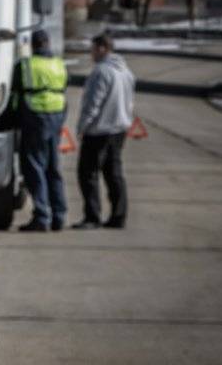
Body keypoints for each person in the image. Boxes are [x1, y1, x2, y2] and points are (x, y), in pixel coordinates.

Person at [73, 33, 136, 229]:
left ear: (102, 48)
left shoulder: (101, 72)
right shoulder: (126, 71)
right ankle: (119, 215)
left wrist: (82, 126)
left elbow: (93, 103)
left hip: (99, 131)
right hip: (119, 129)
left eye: (92, 49)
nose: (91, 54)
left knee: (87, 173)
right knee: (113, 173)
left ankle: (92, 216)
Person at [13, 30, 69, 232]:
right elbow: (64, 88)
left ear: (33, 45)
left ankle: (42, 217)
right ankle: (59, 216)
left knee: (35, 167)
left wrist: (13, 118)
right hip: (57, 114)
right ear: (47, 43)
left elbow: (15, 93)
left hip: (34, 116)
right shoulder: (59, 64)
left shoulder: (26, 65)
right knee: (53, 168)